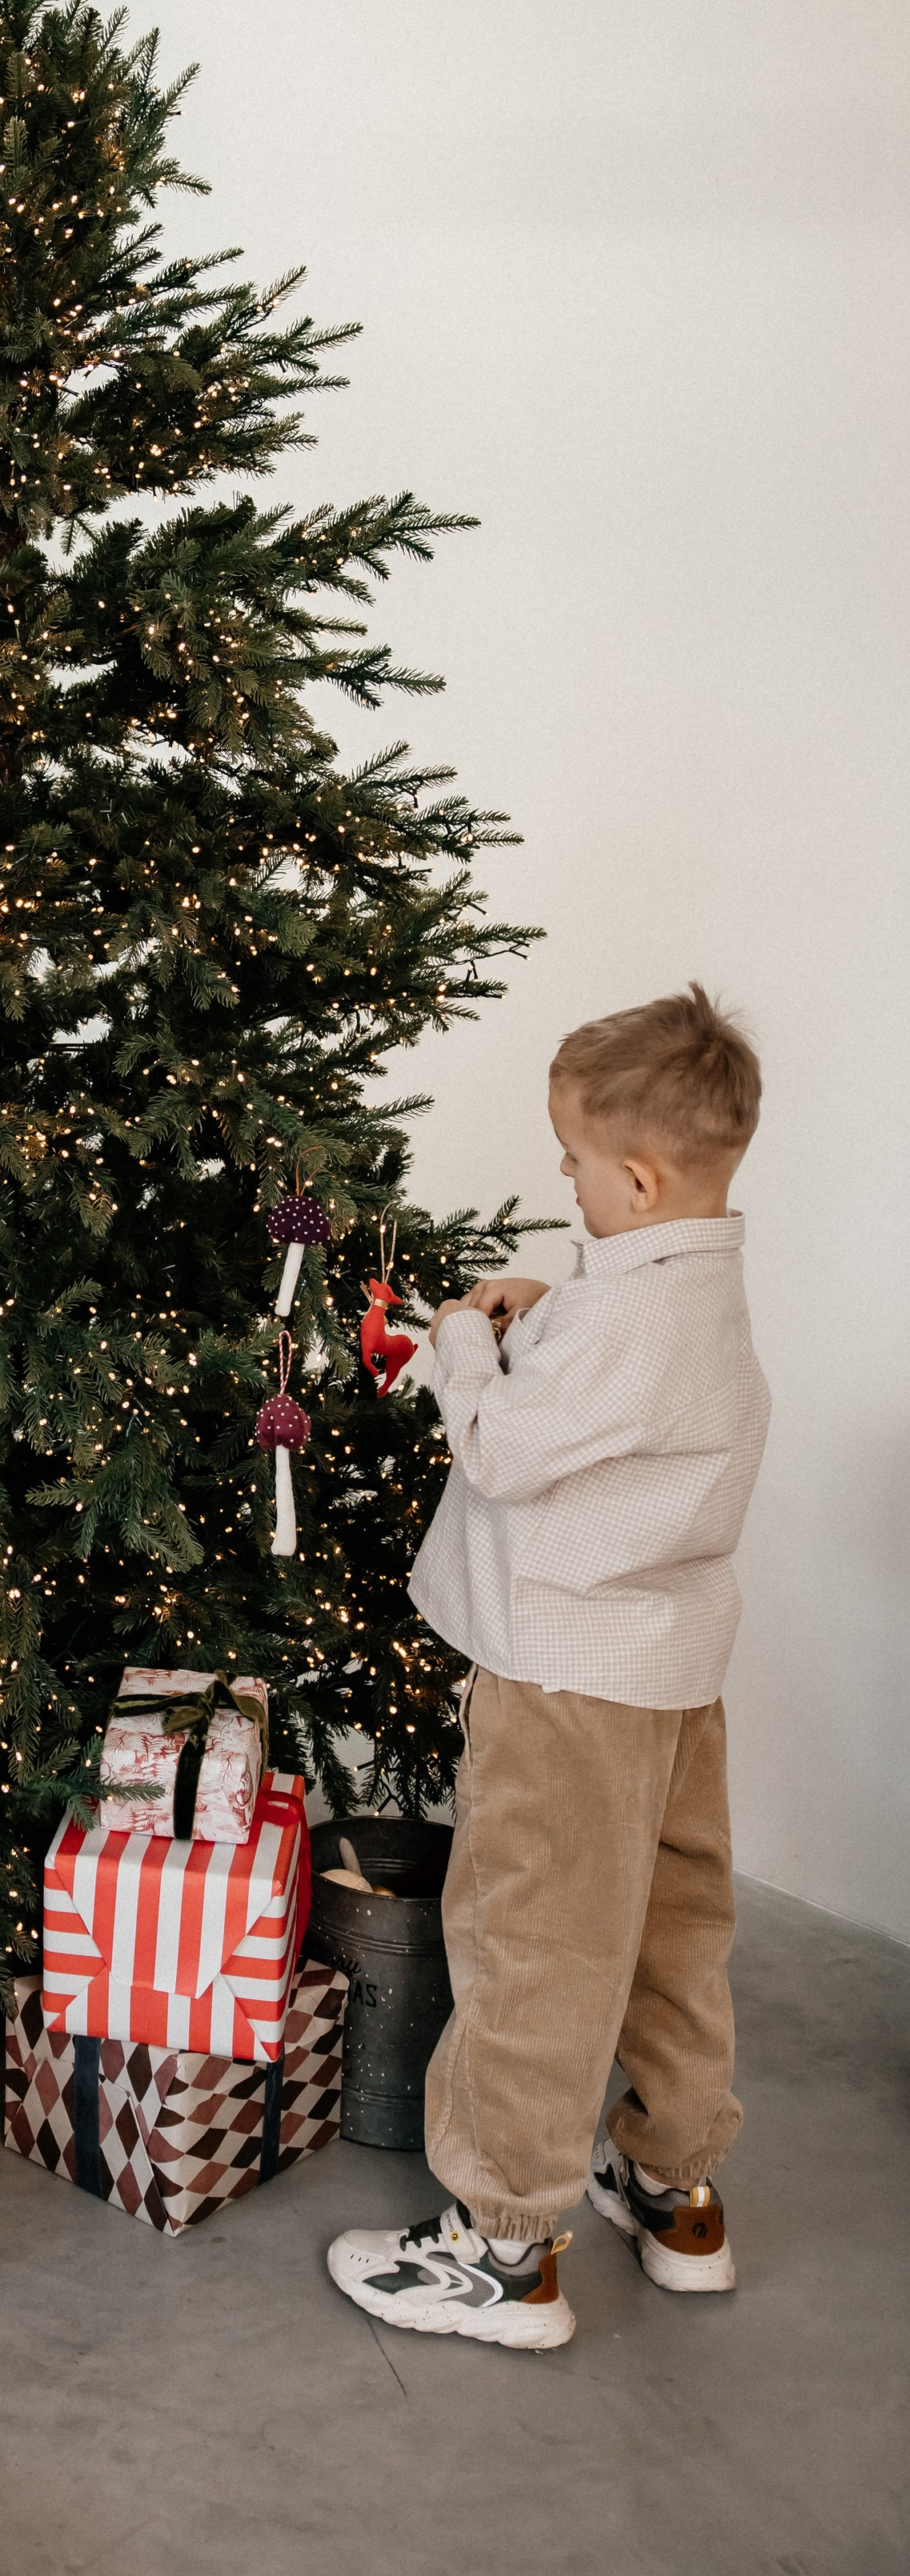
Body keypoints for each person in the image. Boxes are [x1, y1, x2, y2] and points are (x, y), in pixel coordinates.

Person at [325, 985, 769, 2351]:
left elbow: (508, 1448)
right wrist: (547, 1307)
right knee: (671, 1931)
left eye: (573, 1161)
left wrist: (464, 1329)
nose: (563, 1181)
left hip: (566, 1687)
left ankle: (500, 2248)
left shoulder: (627, 1319)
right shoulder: (686, 1284)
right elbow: (608, 1377)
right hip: (671, 1687)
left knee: (533, 1946)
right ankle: (672, 2181)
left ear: (633, 1179)